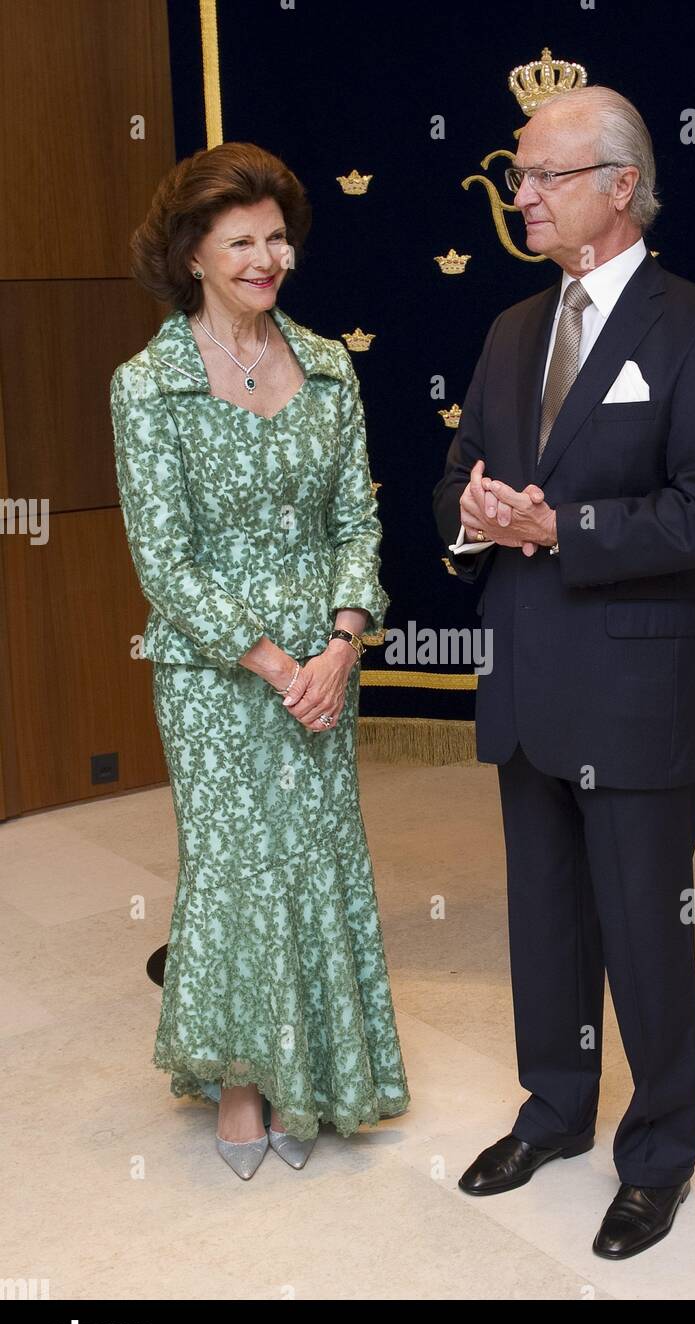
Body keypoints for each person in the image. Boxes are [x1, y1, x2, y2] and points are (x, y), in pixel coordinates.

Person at [432, 86, 695, 1257]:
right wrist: (474, 514)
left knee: (643, 932)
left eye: (539, 175)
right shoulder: (512, 329)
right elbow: (461, 474)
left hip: (636, 693)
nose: (517, 194)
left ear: (618, 187)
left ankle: (659, 1154)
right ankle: (557, 1111)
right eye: (517, 177)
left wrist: (563, 531)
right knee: (546, 925)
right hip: (528, 682)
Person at [110, 142, 409, 1180]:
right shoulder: (149, 386)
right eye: (240, 239)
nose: (265, 255)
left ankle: (322, 1070)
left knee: (317, 858)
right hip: (216, 671)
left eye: (277, 235)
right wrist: (279, 666)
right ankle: (241, 1077)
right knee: (237, 864)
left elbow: (356, 520)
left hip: (327, 666)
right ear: (192, 252)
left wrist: (340, 642)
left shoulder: (329, 365)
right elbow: (165, 561)